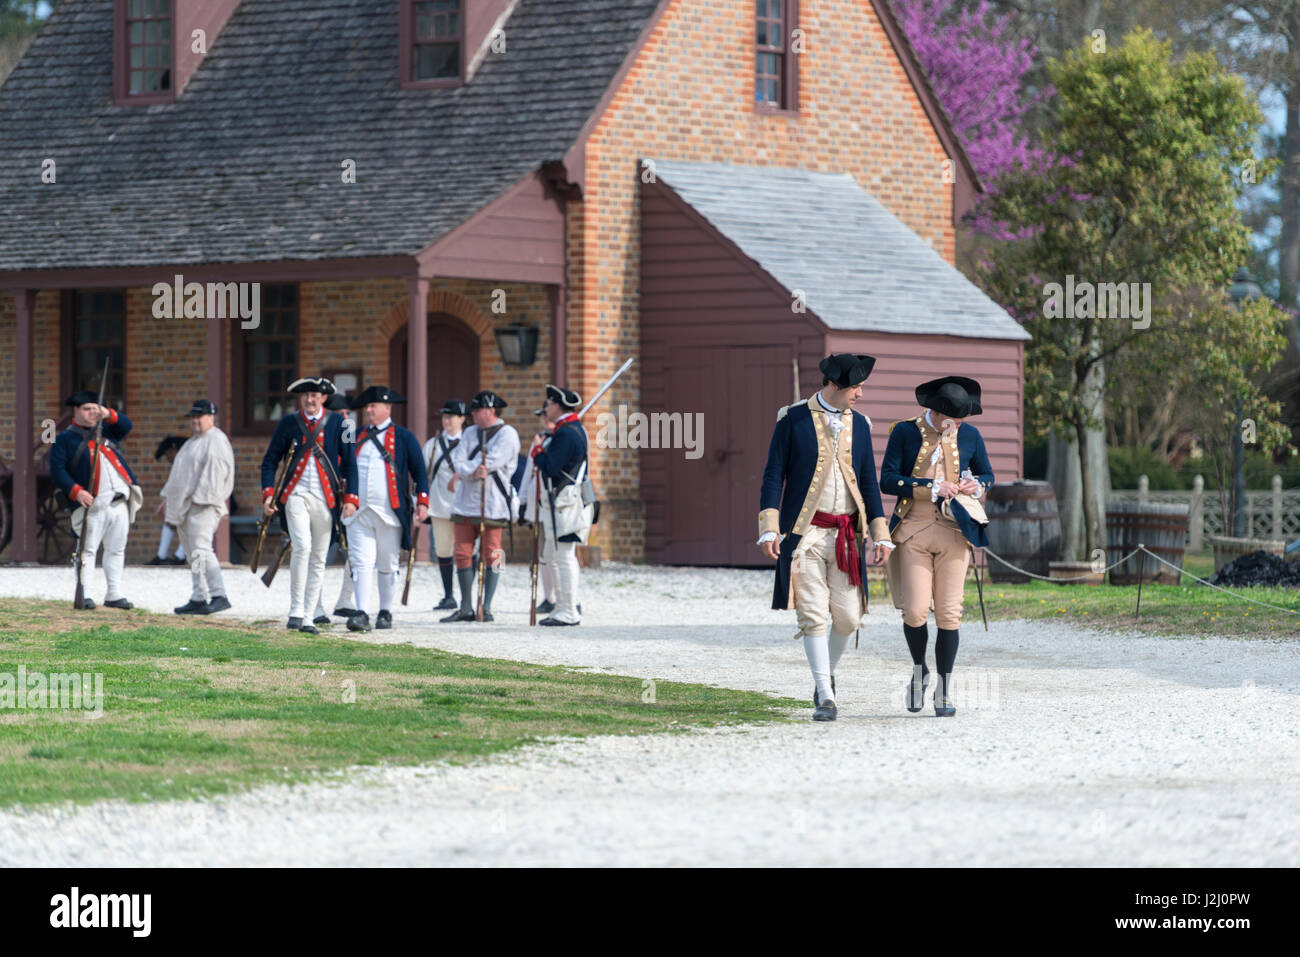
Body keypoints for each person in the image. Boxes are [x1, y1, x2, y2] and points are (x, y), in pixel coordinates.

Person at [757, 354, 894, 721]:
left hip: (847, 535)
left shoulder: (861, 425)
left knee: (848, 618)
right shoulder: (793, 419)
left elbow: (868, 482)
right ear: (833, 385)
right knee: (814, 616)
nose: (860, 394)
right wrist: (770, 526)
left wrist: (880, 534)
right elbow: (773, 475)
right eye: (855, 387)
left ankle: (825, 677)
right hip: (805, 536)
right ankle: (826, 694)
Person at [880, 376, 993, 717]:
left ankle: (944, 688)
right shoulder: (904, 432)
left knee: (949, 614)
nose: (958, 425)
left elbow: (988, 475)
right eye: (954, 419)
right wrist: (929, 486)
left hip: (954, 531)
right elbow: (887, 478)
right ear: (935, 410)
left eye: (961, 420)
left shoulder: (971, 435)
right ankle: (919, 671)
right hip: (913, 528)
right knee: (914, 611)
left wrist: (976, 485)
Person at [259, 376, 350, 634]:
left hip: (328, 498)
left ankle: (310, 616)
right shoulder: (288, 423)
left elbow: (350, 462)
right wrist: (268, 495)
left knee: (320, 557)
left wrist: (351, 499)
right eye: (306, 395)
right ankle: (296, 610)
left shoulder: (344, 423)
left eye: (315, 395)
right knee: (302, 546)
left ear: (323, 398)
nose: (310, 400)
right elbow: (269, 460)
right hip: (295, 495)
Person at [339, 386, 429, 632]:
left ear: (387, 408)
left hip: (390, 512)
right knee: (361, 562)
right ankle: (361, 611)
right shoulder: (354, 435)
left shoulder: (404, 437)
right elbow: (342, 465)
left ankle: (385, 611)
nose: (368, 410)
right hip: (358, 512)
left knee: (388, 564)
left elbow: (419, 470)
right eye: (366, 406)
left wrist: (422, 501)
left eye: (373, 406)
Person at [49, 391, 144, 610]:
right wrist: (76, 491)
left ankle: (114, 593)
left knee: (116, 550)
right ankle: (86, 594)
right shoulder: (64, 438)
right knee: (87, 551)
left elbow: (127, 425)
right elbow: (57, 471)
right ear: (75, 411)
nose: (92, 412)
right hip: (93, 504)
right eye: (87, 409)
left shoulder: (106, 431)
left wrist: (107, 413)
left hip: (119, 502)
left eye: (95, 408)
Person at [442, 390, 520, 623]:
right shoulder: (469, 433)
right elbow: (459, 460)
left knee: (494, 554)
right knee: (462, 552)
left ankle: (486, 606)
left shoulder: (508, 434)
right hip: (466, 502)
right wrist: (469, 471)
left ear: (490, 410)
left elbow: (494, 460)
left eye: (477, 410)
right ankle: (466, 606)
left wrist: (469, 469)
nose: (473, 414)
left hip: (493, 503)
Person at [165, 400, 236, 615]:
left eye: (200, 416)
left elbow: (214, 476)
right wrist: (168, 500)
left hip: (203, 506)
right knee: (193, 554)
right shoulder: (192, 442)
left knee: (202, 550)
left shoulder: (216, 440)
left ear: (211, 417)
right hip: (187, 506)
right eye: (193, 417)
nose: (195, 420)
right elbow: (180, 474)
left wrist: (198, 500)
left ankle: (219, 594)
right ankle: (198, 595)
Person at [531, 384, 593, 626]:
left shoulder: (566, 433)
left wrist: (538, 451)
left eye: (548, 404)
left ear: (557, 405)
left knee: (563, 557)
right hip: (564, 501)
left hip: (565, 503)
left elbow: (550, 466)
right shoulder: (570, 430)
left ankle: (568, 610)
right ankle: (563, 606)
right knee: (555, 555)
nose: (546, 409)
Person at [421, 399, 467, 612]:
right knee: (443, 550)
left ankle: (467, 595)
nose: (447, 420)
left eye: (451, 416)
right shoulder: (432, 445)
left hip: (466, 506)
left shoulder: (469, 442)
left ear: (462, 419)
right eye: (445, 416)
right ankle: (448, 595)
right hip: (439, 506)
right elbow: (424, 475)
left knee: (467, 551)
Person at [317, 391, 357, 625]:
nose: (345, 417)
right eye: (341, 413)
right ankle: (316, 604)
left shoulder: (349, 429)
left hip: (347, 502)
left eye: (347, 414)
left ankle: (345, 600)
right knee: (320, 555)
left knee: (356, 553)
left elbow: (350, 463)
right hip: (327, 499)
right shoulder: (327, 432)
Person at [518, 406, 558, 613]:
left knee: (558, 555)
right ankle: (549, 596)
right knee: (542, 554)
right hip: (538, 504)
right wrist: (523, 501)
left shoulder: (560, 439)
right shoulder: (540, 440)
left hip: (557, 504)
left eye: (545, 415)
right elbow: (528, 474)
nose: (544, 420)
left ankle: (565, 597)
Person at [150, 435, 188, 565]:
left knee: (187, 522)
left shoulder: (185, 460)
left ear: (174, 449)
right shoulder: (181, 461)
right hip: (181, 498)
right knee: (171, 520)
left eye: (168, 454)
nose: (167, 458)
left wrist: (167, 499)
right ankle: (164, 555)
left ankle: (180, 555)